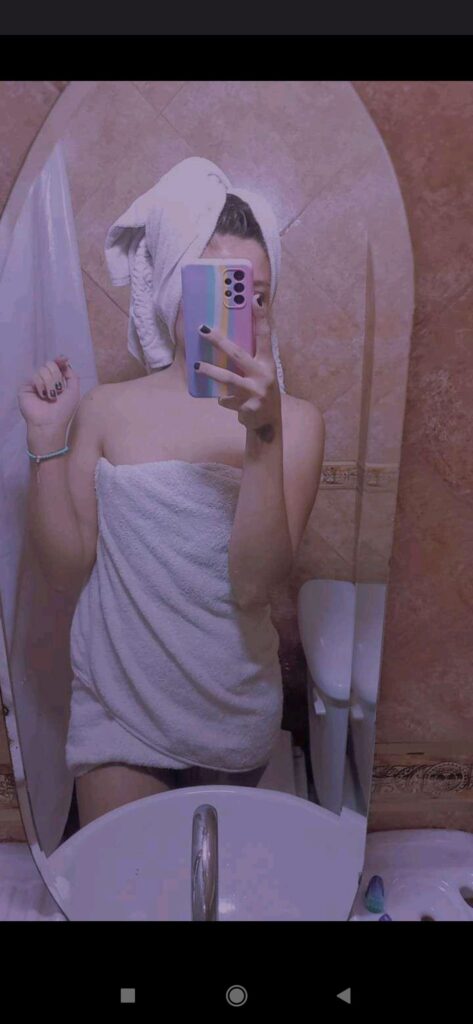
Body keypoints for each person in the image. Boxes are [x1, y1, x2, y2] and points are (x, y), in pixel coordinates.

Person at [18, 192, 325, 829]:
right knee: (123, 875)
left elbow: (254, 584)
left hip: (232, 706)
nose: (241, 309)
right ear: (174, 293)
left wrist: (263, 434)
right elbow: (65, 572)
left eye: (257, 295)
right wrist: (47, 442)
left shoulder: (297, 423)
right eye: (222, 287)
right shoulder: (107, 408)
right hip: (118, 709)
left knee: (218, 875)